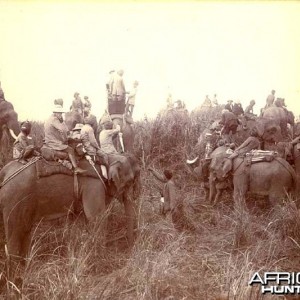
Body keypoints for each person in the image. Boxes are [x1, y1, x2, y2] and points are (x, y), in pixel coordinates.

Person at [43, 104, 86, 174]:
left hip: (49, 141)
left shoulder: (49, 119)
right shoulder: (54, 119)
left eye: (61, 113)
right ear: (55, 113)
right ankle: (76, 168)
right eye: (59, 113)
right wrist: (62, 122)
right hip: (53, 143)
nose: (61, 115)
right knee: (70, 150)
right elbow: (63, 129)